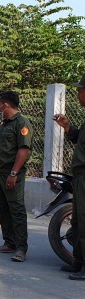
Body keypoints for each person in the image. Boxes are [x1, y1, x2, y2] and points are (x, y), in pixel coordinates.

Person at [0, 91, 33, 262]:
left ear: (6, 105)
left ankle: (21, 248)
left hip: (11, 175)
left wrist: (14, 173)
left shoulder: (21, 122)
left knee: (16, 210)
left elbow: (23, 150)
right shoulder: (5, 124)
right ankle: (9, 243)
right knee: (2, 209)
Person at [53, 73, 85, 280]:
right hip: (80, 177)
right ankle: (78, 261)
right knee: (78, 220)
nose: (77, 94)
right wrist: (68, 127)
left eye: (80, 91)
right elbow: (80, 141)